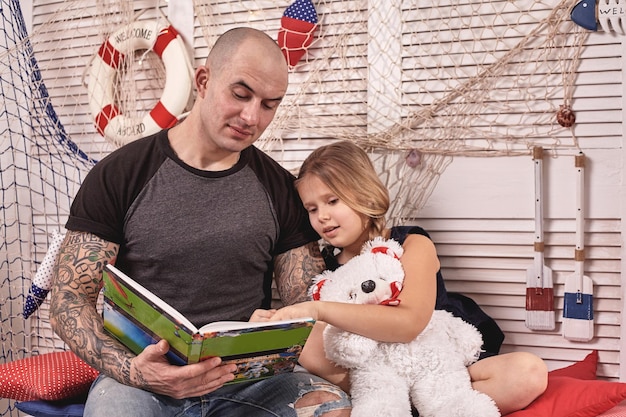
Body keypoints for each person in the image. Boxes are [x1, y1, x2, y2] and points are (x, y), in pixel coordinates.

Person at [49, 27, 351, 417]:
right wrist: (135, 371)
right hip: (141, 380)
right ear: (204, 81)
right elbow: (68, 300)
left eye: (269, 105)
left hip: (247, 381)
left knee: (331, 407)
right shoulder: (120, 175)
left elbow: (305, 304)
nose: (251, 117)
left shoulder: (280, 187)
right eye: (240, 95)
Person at [259, 140, 548, 416]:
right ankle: (391, 405)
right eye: (312, 209)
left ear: (363, 193)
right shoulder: (327, 273)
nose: (322, 216)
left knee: (528, 371)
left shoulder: (412, 243)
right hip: (376, 376)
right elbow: (330, 346)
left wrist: (318, 309)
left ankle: (437, 402)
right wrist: (274, 322)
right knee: (306, 342)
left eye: (332, 201)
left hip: (435, 364)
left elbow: (409, 324)